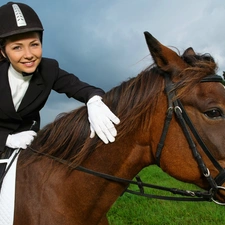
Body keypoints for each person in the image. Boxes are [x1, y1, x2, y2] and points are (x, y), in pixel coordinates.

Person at [0, 2, 120, 177]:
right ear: (3, 52)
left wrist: (93, 100)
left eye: (34, 44)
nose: (28, 54)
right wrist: (7, 139)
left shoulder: (49, 69)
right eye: (17, 47)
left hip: (28, 148)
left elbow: (85, 89)